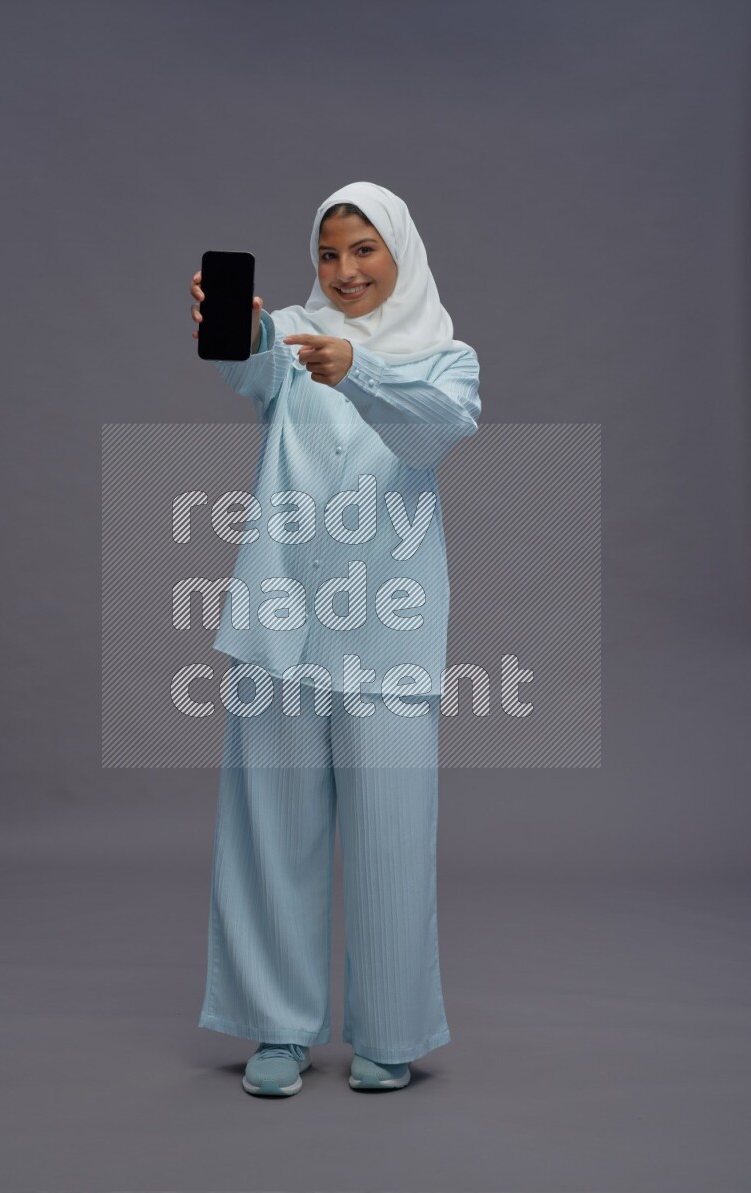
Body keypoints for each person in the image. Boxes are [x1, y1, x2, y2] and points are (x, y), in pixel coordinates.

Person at [189, 181, 481, 1096]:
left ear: (398, 253)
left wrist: (355, 367)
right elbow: (246, 365)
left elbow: (434, 435)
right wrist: (239, 331)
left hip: (387, 634)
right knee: (271, 832)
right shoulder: (291, 339)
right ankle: (277, 1028)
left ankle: (389, 1031)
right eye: (328, 253)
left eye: (363, 250)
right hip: (279, 627)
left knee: (392, 837)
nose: (344, 271)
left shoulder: (447, 359)